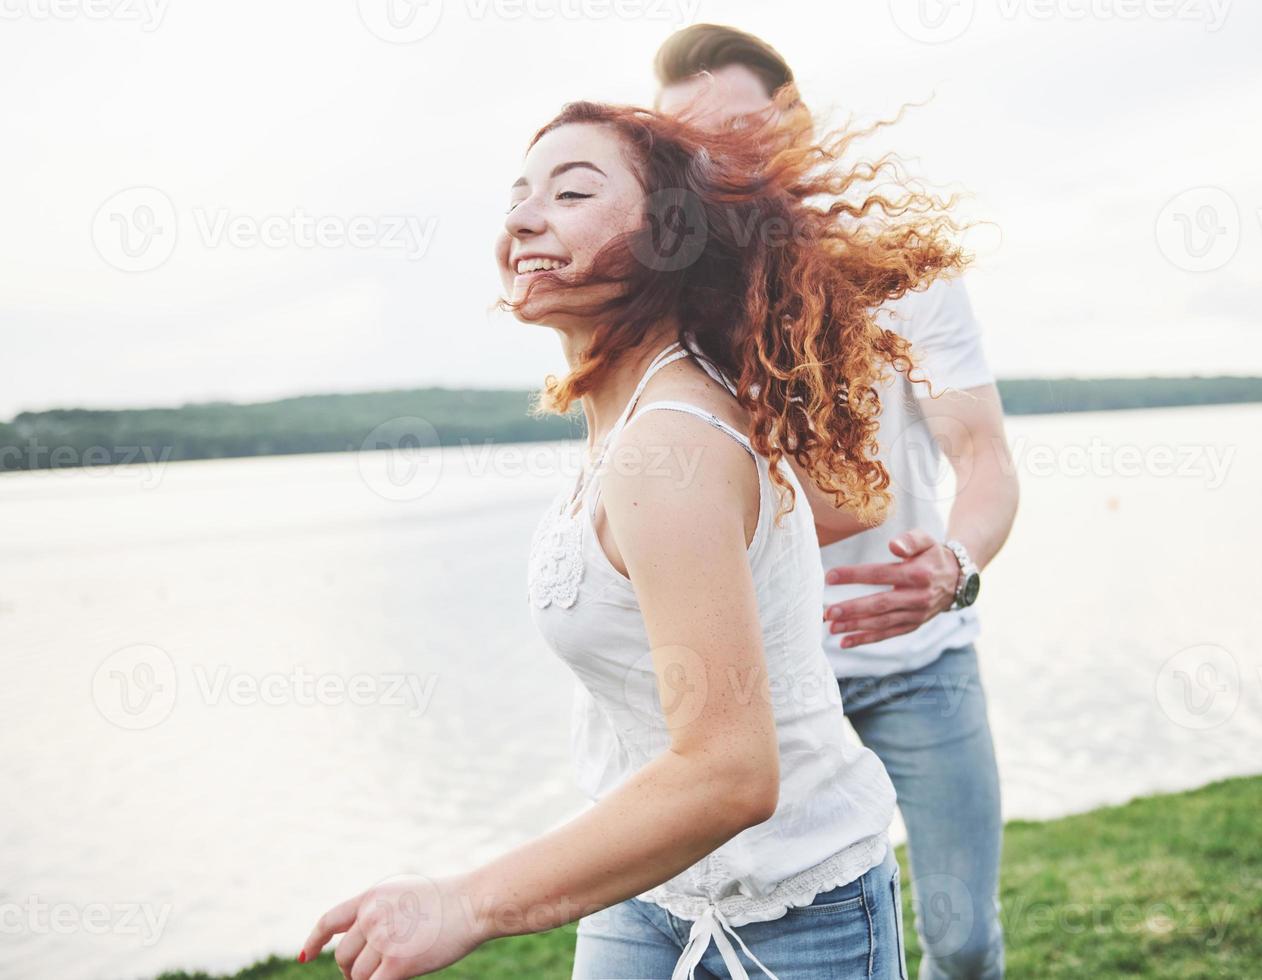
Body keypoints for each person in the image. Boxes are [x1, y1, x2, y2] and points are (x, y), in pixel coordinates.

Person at [299, 92, 972, 978]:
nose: (523, 219)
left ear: (668, 238)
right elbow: (817, 516)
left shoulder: (670, 443)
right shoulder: (640, 415)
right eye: (518, 197)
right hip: (649, 890)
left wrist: (463, 901)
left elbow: (730, 774)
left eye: (571, 194)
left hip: (794, 916)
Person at [655, 25, 1020, 980]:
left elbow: (981, 456)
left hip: (918, 665)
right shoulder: (670, 301)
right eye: (689, 142)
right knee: (749, 942)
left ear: (796, 126)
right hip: (765, 692)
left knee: (965, 941)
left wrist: (956, 568)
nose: (719, 158)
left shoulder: (904, 273)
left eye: (740, 130)